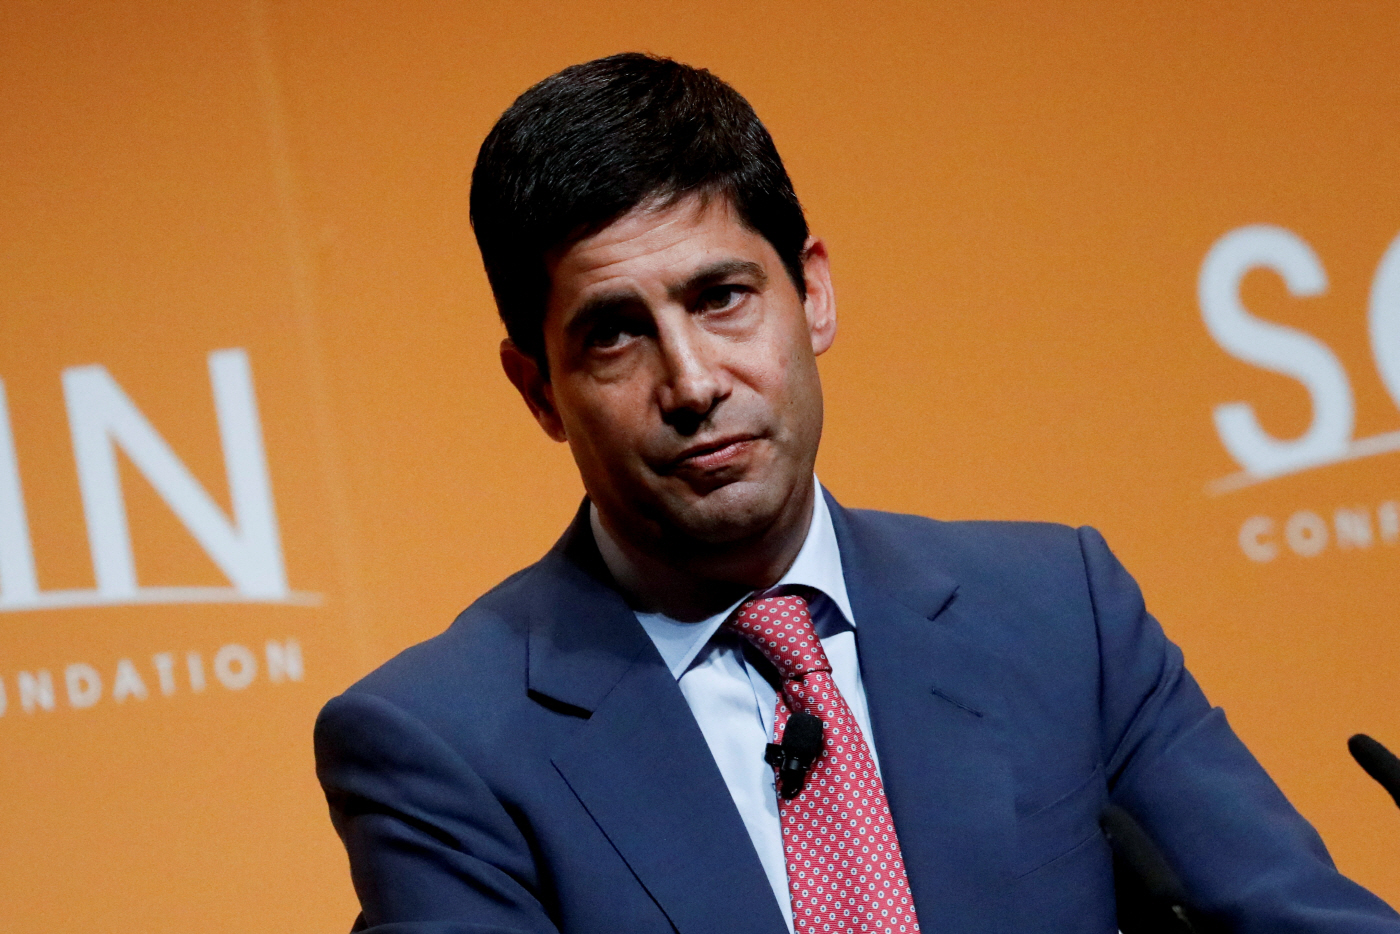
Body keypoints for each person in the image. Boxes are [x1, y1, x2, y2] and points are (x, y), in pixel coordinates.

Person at [314, 53, 1400, 934]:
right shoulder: (440, 746)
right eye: (613, 335)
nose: (692, 383)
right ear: (538, 390)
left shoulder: (1061, 615)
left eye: (722, 297)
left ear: (813, 294)